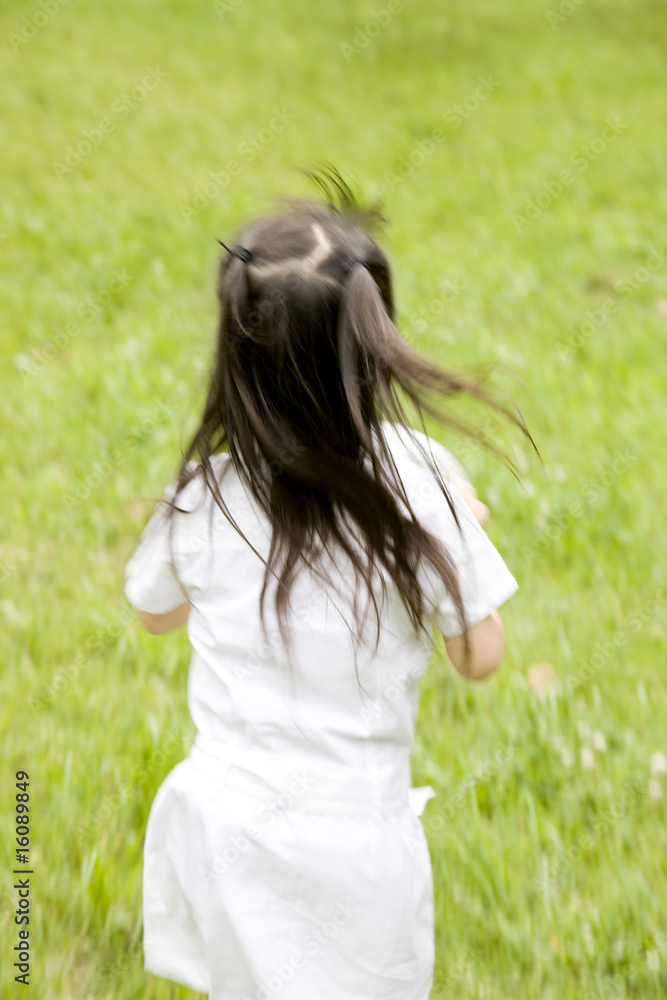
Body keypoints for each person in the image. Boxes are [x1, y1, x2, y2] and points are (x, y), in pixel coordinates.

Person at [124, 171, 532, 1000]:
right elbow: (479, 656)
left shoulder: (205, 494)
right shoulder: (420, 483)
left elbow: (151, 611)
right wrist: (460, 536)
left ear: (236, 359)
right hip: (356, 849)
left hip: (227, 829)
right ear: (374, 347)